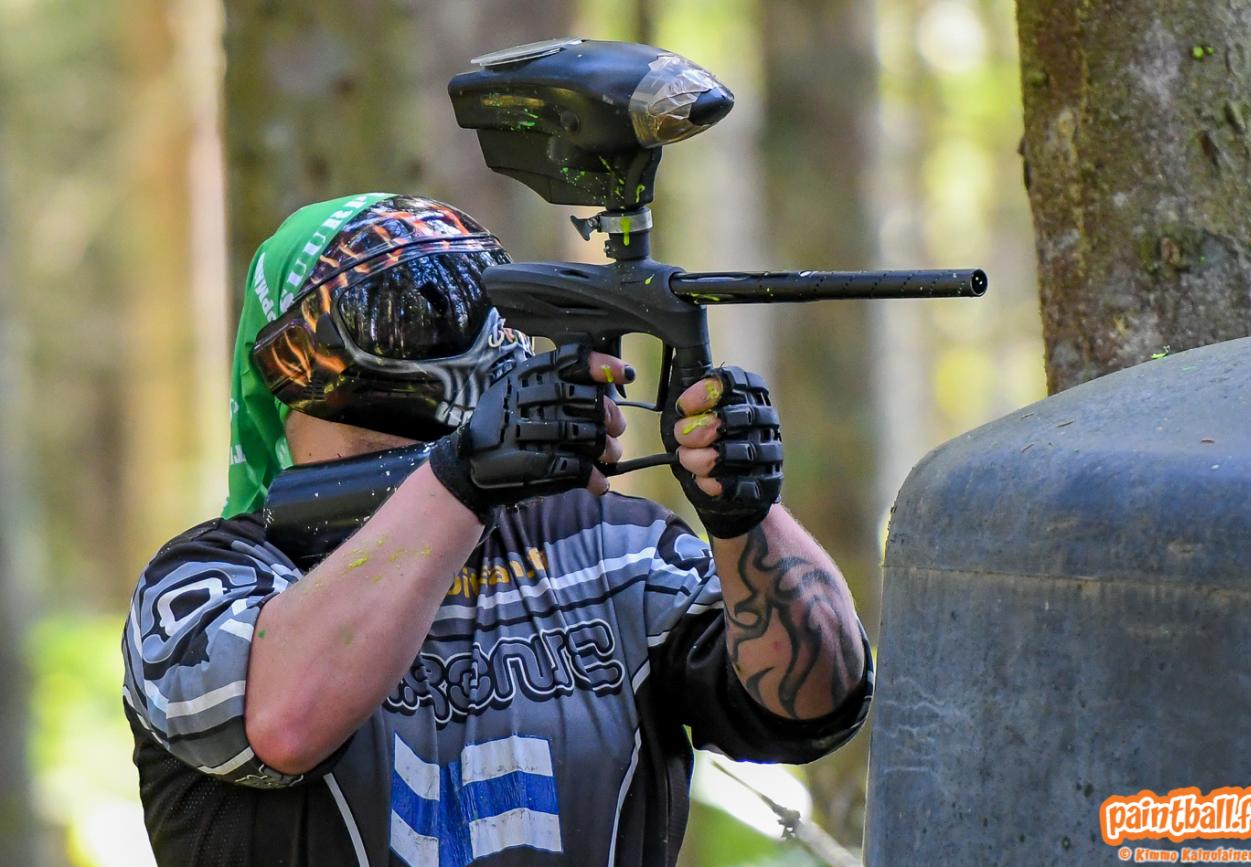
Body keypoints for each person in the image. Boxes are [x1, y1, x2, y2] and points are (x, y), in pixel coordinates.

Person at [122, 193, 874, 867]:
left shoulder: (613, 546)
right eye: (405, 316)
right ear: (288, 367)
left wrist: (745, 514)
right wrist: (462, 479)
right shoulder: (203, 583)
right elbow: (283, 724)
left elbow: (816, 704)